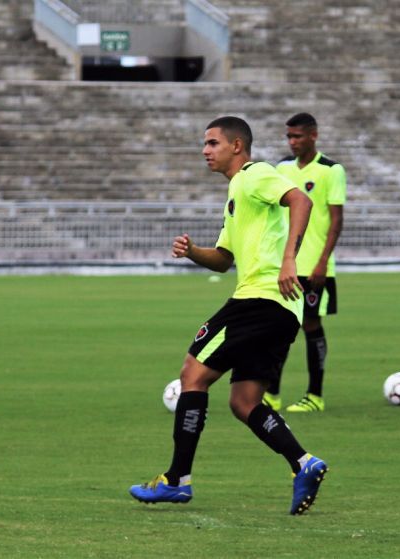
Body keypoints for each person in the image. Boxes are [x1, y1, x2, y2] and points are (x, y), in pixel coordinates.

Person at [129, 116, 328, 515]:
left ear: (237, 146)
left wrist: (290, 258)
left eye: (212, 143)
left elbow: (301, 200)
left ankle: (176, 480)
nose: (205, 150)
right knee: (244, 401)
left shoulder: (255, 175)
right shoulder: (238, 193)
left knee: (193, 372)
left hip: (261, 298)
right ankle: (305, 464)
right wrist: (193, 251)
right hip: (278, 309)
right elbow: (223, 260)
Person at [263, 113, 346, 413]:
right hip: (286, 264)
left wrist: (323, 261)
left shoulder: (331, 170)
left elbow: (336, 220)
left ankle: (315, 395)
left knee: (311, 325)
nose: (292, 142)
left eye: (298, 136)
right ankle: (271, 393)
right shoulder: (281, 168)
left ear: (313, 135)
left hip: (314, 266)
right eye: (289, 136)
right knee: (278, 328)